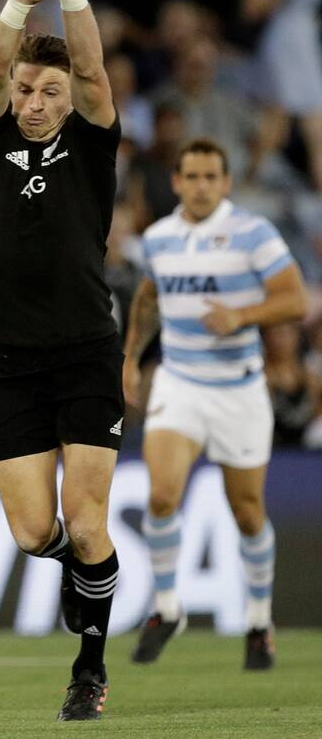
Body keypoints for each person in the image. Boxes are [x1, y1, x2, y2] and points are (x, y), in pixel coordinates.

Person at [0, 0, 122, 721]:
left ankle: (89, 670)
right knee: (34, 533)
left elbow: (95, 72)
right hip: (13, 361)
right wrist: (20, 3)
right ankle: (77, 571)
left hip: (89, 352)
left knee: (88, 521)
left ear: (66, 100)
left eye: (47, 91)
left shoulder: (90, 145)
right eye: (26, 89)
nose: (32, 101)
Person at [122, 138, 306, 670]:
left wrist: (241, 315)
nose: (201, 186)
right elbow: (150, 295)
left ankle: (258, 620)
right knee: (161, 494)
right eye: (192, 177)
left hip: (239, 388)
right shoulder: (158, 238)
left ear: (225, 184)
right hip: (180, 382)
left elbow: (295, 298)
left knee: (247, 512)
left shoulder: (254, 233)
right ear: (176, 182)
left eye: (211, 177)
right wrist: (132, 357)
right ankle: (166, 607)